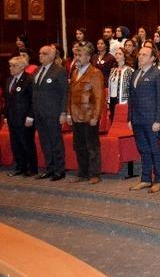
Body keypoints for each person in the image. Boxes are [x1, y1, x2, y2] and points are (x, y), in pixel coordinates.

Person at [127, 46, 160, 193]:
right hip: (137, 119)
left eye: (144, 55)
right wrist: (129, 118)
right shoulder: (136, 73)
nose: (140, 57)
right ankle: (145, 179)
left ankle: (158, 180)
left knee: (154, 150)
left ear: (152, 58)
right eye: (140, 54)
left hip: (151, 120)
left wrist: (158, 120)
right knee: (143, 150)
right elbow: (131, 98)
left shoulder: (158, 74)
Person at [67, 42, 105, 184]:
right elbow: (70, 94)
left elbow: (99, 96)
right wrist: (69, 114)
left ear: (88, 57)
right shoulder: (75, 72)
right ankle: (82, 173)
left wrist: (96, 116)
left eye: (80, 55)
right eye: (76, 55)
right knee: (79, 146)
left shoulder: (95, 73)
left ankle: (94, 174)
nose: (77, 57)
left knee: (92, 147)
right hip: (76, 116)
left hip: (89, 116)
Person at [30, 46, 68, 181]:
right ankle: (49, 168)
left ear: (52, 56)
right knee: (45, 142)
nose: (40, 56)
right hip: (39, 113)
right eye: (40, 53)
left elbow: (65, 93)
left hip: (53, 112)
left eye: (44, 54)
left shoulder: (59, 71)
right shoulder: (37, 71)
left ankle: (59, 170)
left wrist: (63, 112)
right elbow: (34, 93)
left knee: (55, 142)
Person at [5, 56, 37, 177]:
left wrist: (30, 116)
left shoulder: (29, 79)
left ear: (22, 67)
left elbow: (33, 100)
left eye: (13, 66)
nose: (10, 68)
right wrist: (6, 115)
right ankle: (20, 166)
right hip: (12, 117)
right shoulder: (9, 80)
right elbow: (8, 100)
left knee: (26, 143)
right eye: (10, 65)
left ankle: (31, 168)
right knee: (15, 143)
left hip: (25, 118)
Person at [107, 48, 133, 119]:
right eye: (116, 53)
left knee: (121, 121)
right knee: (113, 119)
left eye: (120, 54)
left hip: (123, 100)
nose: (117, 55)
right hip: (112, 99)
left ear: (124, 56)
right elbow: (110, 86)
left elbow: (132, 87)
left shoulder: (129, 70)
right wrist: (108, 100)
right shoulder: (113, 70)